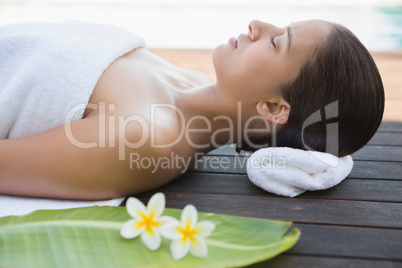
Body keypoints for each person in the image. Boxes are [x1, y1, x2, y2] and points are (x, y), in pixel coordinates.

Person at [0, 19, 384, 200]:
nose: (256, 25)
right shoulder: (183, 80)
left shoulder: (146, 139)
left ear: (272, 107)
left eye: (276, 42)